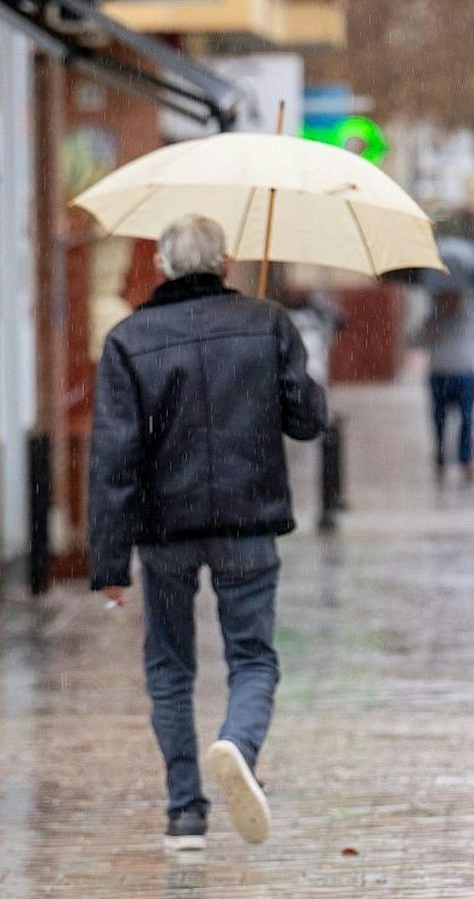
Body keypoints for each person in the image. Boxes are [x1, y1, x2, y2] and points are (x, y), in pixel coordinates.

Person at [88, 214, 329, 852]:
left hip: (164, 531)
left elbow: (114, 460)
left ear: (163, 268)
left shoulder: (128, 340)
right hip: (248, 523)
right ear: (224, 265)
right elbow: (308, 420)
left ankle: (185, 814)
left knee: (170, 667)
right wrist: (288, 364)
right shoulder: (266, 323)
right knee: (252, 657)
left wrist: (109, 563)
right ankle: (238, 746)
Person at [421, 286, 474, 480]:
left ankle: (466, 461)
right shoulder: (434, 316)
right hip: (440, 373)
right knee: (439, 420)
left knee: (467, 419)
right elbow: (423, 340)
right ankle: (440, 461)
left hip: (466, 374)